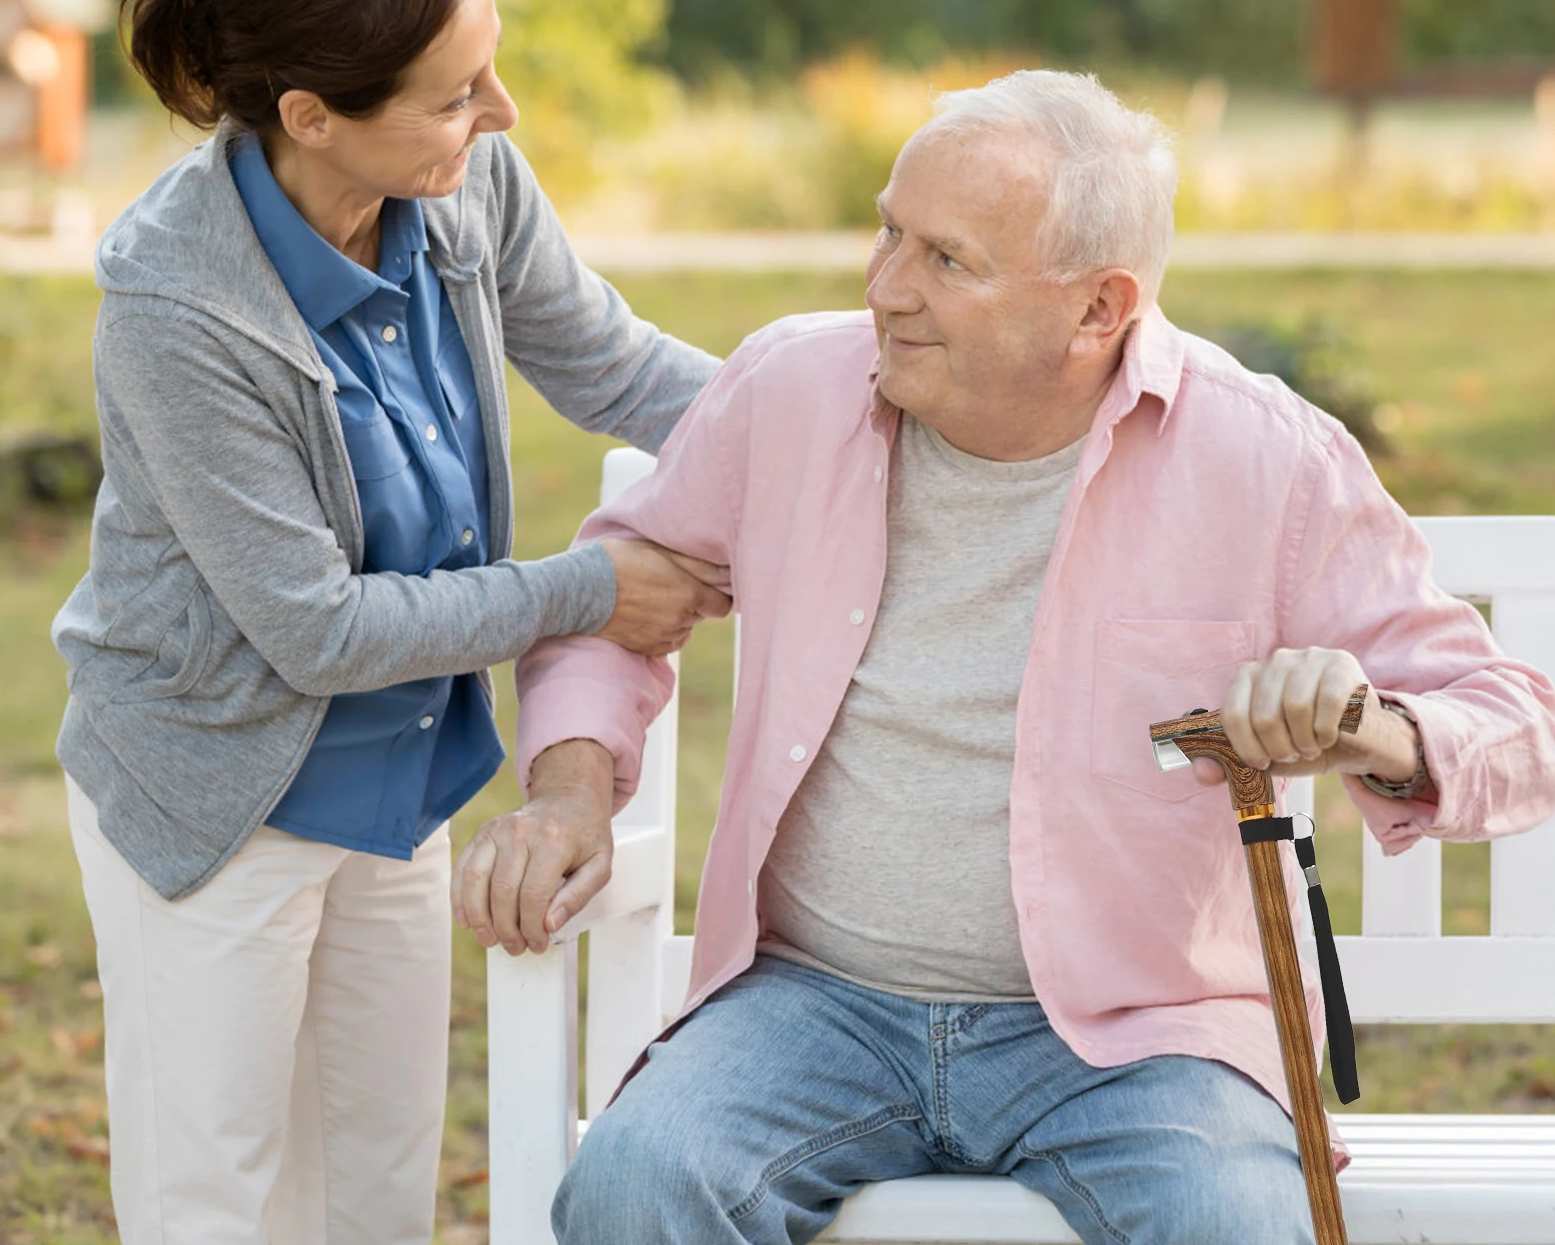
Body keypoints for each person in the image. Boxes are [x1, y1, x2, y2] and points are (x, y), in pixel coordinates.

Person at [455, 70, 1555, 1245]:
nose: (884, 289)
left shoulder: (1265, 458)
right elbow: (613, 599)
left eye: (946, 260)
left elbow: (1516, 722)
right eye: (887, 232)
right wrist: (569, 794)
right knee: (635, 1185)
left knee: (1231, 1221)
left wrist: (1370, 725)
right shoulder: (784, 392)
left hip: (1142, 1034)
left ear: (1097, 309)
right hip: (811, 1003)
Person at [51, 0, 730, 1245]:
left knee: (374, 1184)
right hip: (213, 792)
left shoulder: (467, 192)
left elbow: (611, 365)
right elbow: (314, 629)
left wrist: (848, 419)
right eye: (455, 92)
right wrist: (588, 591)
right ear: (311, 116)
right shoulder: (181, 306)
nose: (499, 114)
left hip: (398, 776)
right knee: (221, 1197)